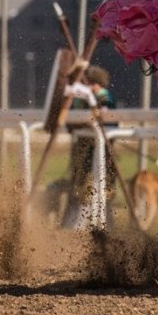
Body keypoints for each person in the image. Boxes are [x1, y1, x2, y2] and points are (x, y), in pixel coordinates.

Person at [62, 65, 116, 229]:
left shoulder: (104, 97)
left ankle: (104, 225)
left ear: (95, 83)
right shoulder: (82, 98)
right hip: (84, 145)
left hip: (103, 147)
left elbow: (104, 116)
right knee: (81, 185)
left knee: (104, 187)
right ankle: (76, 224)